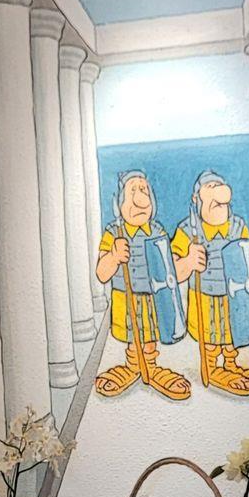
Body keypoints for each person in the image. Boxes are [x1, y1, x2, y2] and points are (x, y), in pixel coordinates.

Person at [93, 170, 190, 400]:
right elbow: (102, 274)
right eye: (133, 191)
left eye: (144, 190)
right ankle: (133, 365)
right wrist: (114, 256)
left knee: (150, 331)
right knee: (132, 331)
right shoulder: (113, 233)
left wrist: (187, 263)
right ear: (119, 203)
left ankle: (150, 366)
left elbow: (169, 270)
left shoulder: (157, 231)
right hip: (125, 298)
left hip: (154, 298)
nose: (140, 198)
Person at [173, 170, 249, 396]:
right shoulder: (188, 231)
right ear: (197, 198)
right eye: (210, 186)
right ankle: (212, 367)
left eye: (218, 185)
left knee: (232, 331)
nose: (216, 190)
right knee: (212, 333)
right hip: (204, 297)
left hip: (233, 296)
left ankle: (231, 363)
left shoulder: (238, 226)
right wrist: (188, 261)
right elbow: (173, 271)